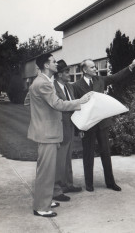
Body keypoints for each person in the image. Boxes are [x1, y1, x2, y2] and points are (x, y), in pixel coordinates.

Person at [28, 53, 92, 218]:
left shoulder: (44, 81)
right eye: (54, 62)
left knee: (49, 171)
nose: (56, 64)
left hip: (49, 133)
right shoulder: (43, 83)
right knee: (46, 172)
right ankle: (41, 207)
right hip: (47, 134)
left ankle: (46, 200)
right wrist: (81, 101)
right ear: (46, 65)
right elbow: (57, 104)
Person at [72, 56, 135, 192]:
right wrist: (78, 128)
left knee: (106, 153)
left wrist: (131, 66)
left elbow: (115, 77)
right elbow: (76, 107)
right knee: (88, 154)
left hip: (102, 123)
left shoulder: (100, 80)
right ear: (84, 70)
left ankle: (110, 182)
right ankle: (89, 184)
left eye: (95, 67)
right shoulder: (76, 86)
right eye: (92, 67)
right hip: (88, 125)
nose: (95, 69)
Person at [52, 60, 82, 203]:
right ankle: (58, 189)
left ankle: (68, 184)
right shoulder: (52, 88)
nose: (68, 74)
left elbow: (74, 105)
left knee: (68, 157)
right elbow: (59, 106)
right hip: (59, 128)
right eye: (66, 72)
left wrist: (79, 127)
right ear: (59, 74)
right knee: (60, 159)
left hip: (70, 126)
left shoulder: (69, 87)